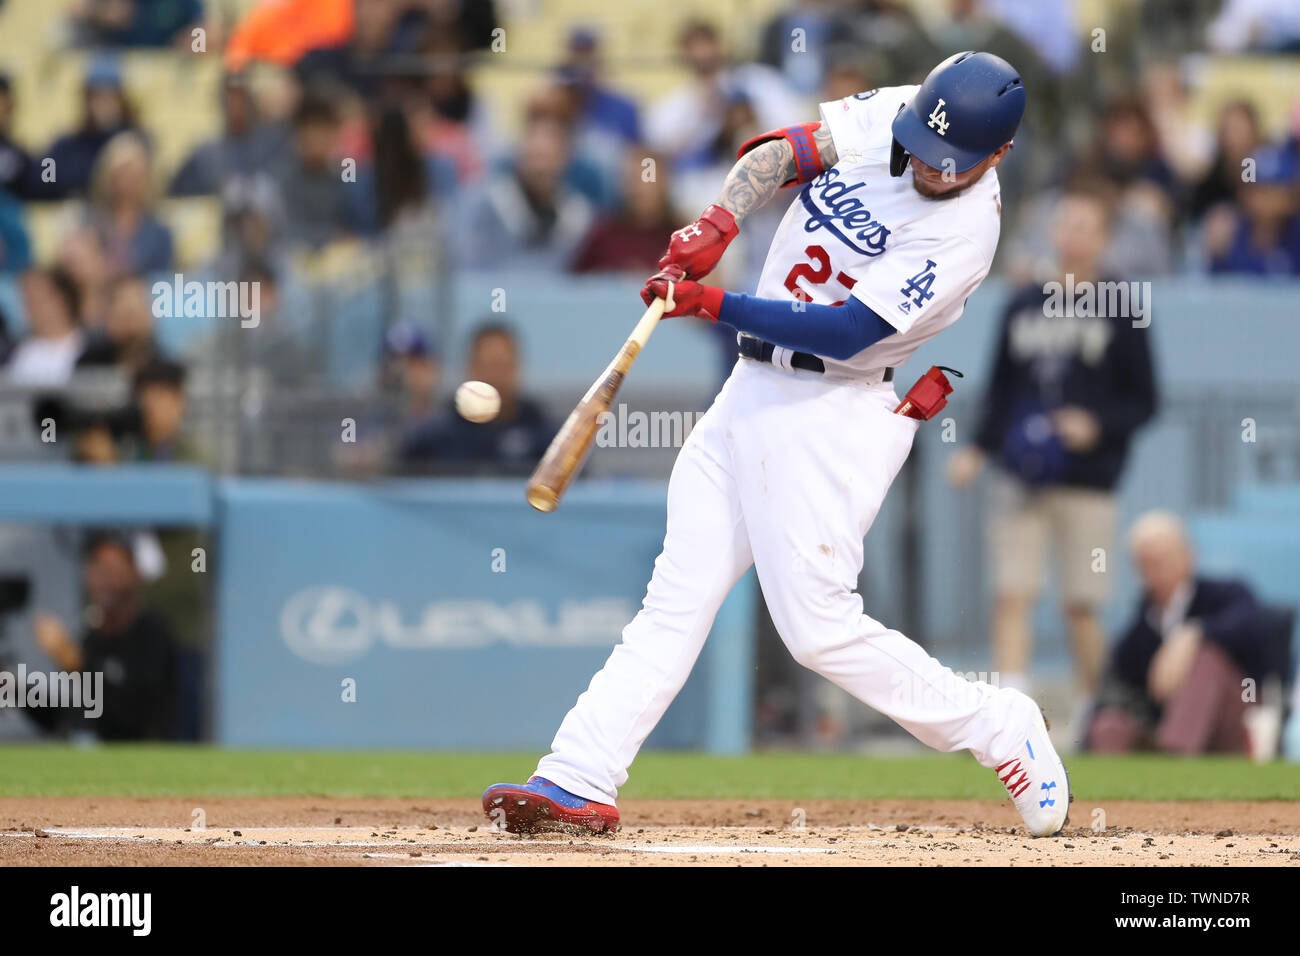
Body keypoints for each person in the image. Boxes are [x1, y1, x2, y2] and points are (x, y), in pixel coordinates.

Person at [483, 53, 1072, 839]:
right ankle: (578, 775)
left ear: (994, 157)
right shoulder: (911, 110)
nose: (928, 169)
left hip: (830, 411)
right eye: (921, 150)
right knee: (675, 598)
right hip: (749, 394)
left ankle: (999, 725)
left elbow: (848, 330)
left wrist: (715, 301)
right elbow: (782, 152)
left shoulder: (967, 231)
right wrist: (716, 223)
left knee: (818, 629)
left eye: (948, 164)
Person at [947, 183, 1157, 708]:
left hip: (1089, 479)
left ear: (1104, 238)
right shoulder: (1025, 301)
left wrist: (1097, 424)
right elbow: (1001, 386)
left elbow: (1146, 399)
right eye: (1065, 225)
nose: (1072, 237)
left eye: (1085, 227)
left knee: (1081, 602)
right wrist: (977, 448)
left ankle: (1095, 713)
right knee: (1012, 592)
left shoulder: (1121, 306)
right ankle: (1011, 714)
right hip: (1021, 471)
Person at [1087, 512, 1284, 754]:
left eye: (1163, 559)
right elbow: (1118, 681)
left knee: (1206, 658)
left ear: (1188, 556)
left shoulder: (1228, 593)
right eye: (1146, 563)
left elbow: (1256, 625)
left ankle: (1174, 753)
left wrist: (1193, 634)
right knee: (1110, 723)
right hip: (1162, 722)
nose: (1155, 571)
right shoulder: (1140, 627)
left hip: (1237, 716)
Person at [31, 532, 179, 741]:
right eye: (96, 569)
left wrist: (76, 665)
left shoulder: (153, 635)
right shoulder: (89, 635)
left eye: (113, 570)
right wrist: (11, 687)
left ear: (135, 573)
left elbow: (132, 720)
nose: (103, 580)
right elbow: (65, 717)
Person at [399, 322, 551, 475]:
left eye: (502, 365)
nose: (496, 376)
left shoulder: (541, 431)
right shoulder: (437, 435)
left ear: (516, 367)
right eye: (489, 366)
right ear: (471, 367)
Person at [4, 267, 84, 386]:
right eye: (28, 300)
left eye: (40, 298)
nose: (33, 307)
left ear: (63, 299)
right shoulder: (20, 352)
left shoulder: (87, 346)